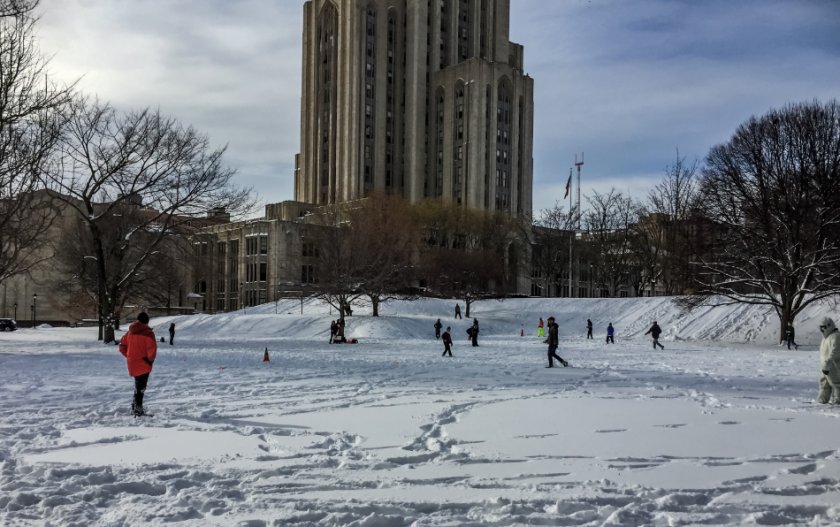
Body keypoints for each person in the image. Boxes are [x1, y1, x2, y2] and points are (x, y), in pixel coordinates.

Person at [118, 312, 157, 417]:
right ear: (147, 321)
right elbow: (152, 351)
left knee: (138, 386)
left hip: (132, 363)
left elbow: (122, 346)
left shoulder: (130, 332)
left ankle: (135, 407)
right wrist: (149, 361)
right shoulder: (148, 333)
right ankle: (137, 410)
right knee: (141, 388)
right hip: (143, 364)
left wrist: (130, 356)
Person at [818, 317, 840, 405]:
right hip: (825, 366)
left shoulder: (836, 336)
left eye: (823, 327)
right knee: (824, 383)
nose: (821, 330)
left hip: (834, 365)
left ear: (828, 326)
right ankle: (822, 400)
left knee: (835, 383)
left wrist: (828, 362)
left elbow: (835, 351)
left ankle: (838, 401)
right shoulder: (826, 337)